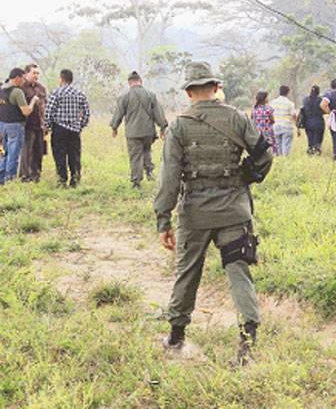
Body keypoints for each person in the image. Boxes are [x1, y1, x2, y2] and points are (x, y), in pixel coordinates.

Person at [154, 61, 273, 366]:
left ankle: (176, 337)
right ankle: (247, 347)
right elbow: (265, 154)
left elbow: (169, 179)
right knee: (238, 273)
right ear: (215, 87)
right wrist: (247, 177)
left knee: (188, 273)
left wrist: (163, 220)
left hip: (195, 214)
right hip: (234, 212)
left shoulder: (179, 125)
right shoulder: (236, 117)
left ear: (189, 91)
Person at [109, 71, 168, 188]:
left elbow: (118, 114)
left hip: (133, 133)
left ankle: (136, 182)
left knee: (135, 155)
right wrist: (163, 127)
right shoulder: (150, 95)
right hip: (148, 131)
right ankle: (149, 171)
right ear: (140, 82)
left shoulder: (125, 97)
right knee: (147, 150)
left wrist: (114, 127)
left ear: (129, 83)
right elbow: (158, 113)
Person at [44, 69, 90, 188]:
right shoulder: (80, 94)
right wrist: (80, 125)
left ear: (61, 79)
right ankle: (75, 180)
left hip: (59, 129)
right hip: (74, 130)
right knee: (74, 156)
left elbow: (49, 111)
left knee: (60, 155)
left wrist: (48, 126)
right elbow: (87, 112)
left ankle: (62, 181)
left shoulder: (56, 93)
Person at [0, 68, 40, 185]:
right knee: (13, 154)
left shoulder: (1, 89)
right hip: (15, 126)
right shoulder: (17, 92)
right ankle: (10, 180)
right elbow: (26, 111)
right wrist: (33, 101)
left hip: (2, 125)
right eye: (22, 78)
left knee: (5, 153)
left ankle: (1, 178)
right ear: (17, 78)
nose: (23, 81)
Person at [17, 64, 47, 183]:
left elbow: (45, 105)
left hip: (40, 125)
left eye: (37, 73)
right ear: (26, 73)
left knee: (38, 152)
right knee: (26, 152)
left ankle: (36, 176)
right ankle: (25, 176)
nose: (36, 76)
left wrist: (46, 124)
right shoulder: (21, 89)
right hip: (27, 125)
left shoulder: (41, 88)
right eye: (34, 73)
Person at [269, 85, 297, 156]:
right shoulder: (290, 103)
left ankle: (280, 160)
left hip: (276, 126)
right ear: (288, 93)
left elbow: (270, 114)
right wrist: (297, 125)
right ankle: (285, 160)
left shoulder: (273, 103)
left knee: (278, 146)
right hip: (286, 126)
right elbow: (293, 115)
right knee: (286, 146)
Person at [300, 85, 325, 155]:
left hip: (308, 123)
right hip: (318, 123)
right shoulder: (320, 100)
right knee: (318, 140)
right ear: (318, 92)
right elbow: (324, 110)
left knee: (310, 140)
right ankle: (317, 152)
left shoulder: (305, 100)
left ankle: (310, 152)